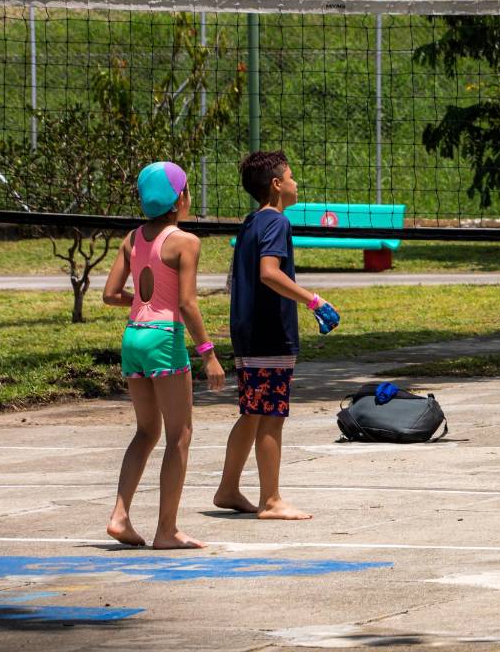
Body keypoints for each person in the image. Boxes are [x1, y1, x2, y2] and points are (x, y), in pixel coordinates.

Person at [103, 162, 226, 549]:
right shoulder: (185, 242)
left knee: (145, 431)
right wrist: (208, 353)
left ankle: (120, 515)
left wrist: (144, 302)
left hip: (133, 337)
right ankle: (166, 530)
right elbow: (188, 304)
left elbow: (110, 294)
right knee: (179, 435)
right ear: (180, 199)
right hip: (163, 340)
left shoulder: (132, 238)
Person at [213, 151, 338, 520]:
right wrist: (313, 300)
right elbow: (269, 272)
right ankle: (271, 500)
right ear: (277, 184)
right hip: (269, 335)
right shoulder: (277, 222)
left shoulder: (251, 221)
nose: (297, 183)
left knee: (252, 412)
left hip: (249, 332)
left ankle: (228, 489)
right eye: (292, 177)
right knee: (271, 415)